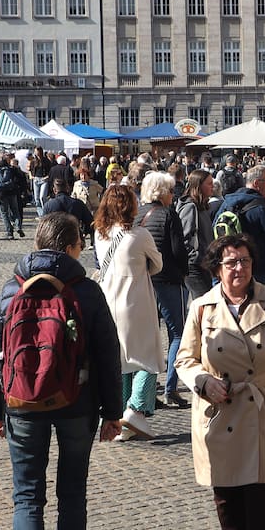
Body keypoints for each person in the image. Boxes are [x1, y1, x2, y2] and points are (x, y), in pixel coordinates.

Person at [0, 212, 123, 530]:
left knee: (27, 496)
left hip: (21, 403)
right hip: (78, 401)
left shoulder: (11, 290)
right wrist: (112, 413)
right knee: (73, 493)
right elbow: (108, 354)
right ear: (70, 248)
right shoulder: (87, 292)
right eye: (80, 244)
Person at [175, 234, 265, 530]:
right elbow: (184, 359)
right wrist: (203, 382)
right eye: (231, 262)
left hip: (262, 417)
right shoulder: (201, 307)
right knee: (230, 517)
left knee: (261, 517)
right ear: (217, 269)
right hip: (218, 416)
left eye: (245, 261)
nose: (239, 268)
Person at [92, 185, 164, 439]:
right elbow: (158, 264)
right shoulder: (140, 235)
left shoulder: (99, 234)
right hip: (136, 301)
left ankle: (120, 420)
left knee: (120, 360)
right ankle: (135, 408)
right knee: (148, 358)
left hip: (108, 300)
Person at [135, 172, 191, 408]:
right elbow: (178, 249)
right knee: (178, 333)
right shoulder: (169, 214)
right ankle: (171, 388)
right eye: (170, 191)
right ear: (162, 192)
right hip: (169, 280)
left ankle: (148, 391)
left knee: (149, 336)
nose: (173, 196)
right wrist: (184, 272)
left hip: (145, 281)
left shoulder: (138, 215)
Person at [213, 164, 265, 285]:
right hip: (256, 263)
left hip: (229, 260)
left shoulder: (228, 201)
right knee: (254, 296)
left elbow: (215, 225)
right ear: (256, 183)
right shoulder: (261, 205)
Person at [177, 169, 215, 300]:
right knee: (204, 303)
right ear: (199, 185)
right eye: (209, 183)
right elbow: (184, 237)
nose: (212, 186)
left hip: (204, 264)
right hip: (194, 266)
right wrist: (195, 258)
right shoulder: (190, 207)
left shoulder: (202, 206)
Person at [0, 156, 28, 239]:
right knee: (15, 211)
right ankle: (18, 227)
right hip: (12, 192)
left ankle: (9, 232)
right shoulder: (12, 169)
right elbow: (20, 179)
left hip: (1, 194)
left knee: (4, 213)